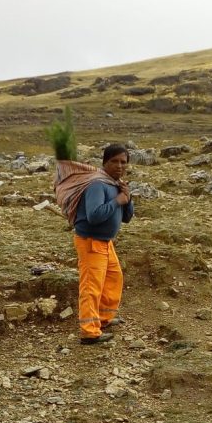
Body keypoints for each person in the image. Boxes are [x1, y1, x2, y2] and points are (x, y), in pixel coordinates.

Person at [55, 144, 134, 345]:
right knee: (91, 286)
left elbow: (127, 218)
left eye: (123, 162)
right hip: (91, 241)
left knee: (113, 279)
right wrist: (118, 200)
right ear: (104, 162)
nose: (119, 166)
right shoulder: (97, 185)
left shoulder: (115, 185)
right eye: (114, 161)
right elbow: (94, 215)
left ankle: (103, 319)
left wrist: (127, 198)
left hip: (106, 243)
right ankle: (89, 332)